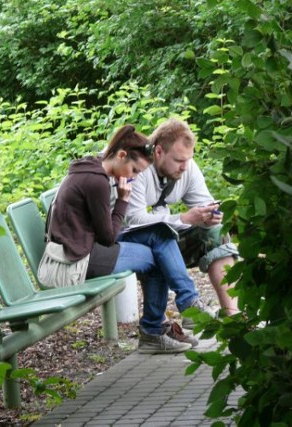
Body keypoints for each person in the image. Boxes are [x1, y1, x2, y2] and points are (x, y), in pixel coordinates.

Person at [46, 124, 199, 354]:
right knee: (158, 252)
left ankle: (176, 312)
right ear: (121, 155)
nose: (135, 177)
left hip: (87, 245)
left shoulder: (96, 169)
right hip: (77, 258)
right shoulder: (96, 181)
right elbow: (108, 237)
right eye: (135, 170)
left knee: (159, 234)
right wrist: (123, 200)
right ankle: (157, 328)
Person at [121, 117, 239, 328]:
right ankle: (162, 324)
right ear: (158, 152)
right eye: (178, 161)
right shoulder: (138, 168)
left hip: (161, 240)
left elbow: (203, 203)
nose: (185, 167)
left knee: (217, 232)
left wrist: (210, 216)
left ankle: (233, 316)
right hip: (127, 243)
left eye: (188, 159)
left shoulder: (188, 167)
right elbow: (135, 220)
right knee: (158, 240)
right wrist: (183, 219)